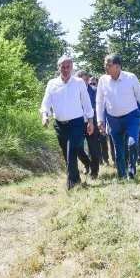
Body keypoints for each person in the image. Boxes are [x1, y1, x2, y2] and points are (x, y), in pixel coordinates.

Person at [40, 56, 95, 190]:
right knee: (66, 153)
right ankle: (76, 178)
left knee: (71, 152)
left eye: (68, 67)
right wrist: (44, 115)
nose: (65, 69)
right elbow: (46, 101)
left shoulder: (79, 82)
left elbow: (87, 103)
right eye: (62, 67)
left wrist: (90, 121)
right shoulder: (52, 83)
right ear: (58, 67)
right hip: (59, 124)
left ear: (72, 67)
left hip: (76, 123)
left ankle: (70, 185)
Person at [96, 54, 140, 180]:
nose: (106, 67)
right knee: (118, 151)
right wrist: (99, 119)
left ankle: (132, 169)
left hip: (131, 117)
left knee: (132, 143)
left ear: (117, 66)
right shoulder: (103, 80)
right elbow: (99, 101)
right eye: (105, 64)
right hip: (112, 120)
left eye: (108, 65)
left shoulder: (130, 77)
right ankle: (122, 175)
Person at [75, 70, 100, 178]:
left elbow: (99, 106)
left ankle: (94, 171)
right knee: (76, 147)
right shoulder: (73, 91)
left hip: (92, 122)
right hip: (77, 123)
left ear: (88, 80)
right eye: (80, 80)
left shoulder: (95, 91)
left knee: (93, 147)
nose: (83, 82)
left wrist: (99, 121)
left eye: (85, 80)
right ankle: (86, 163)